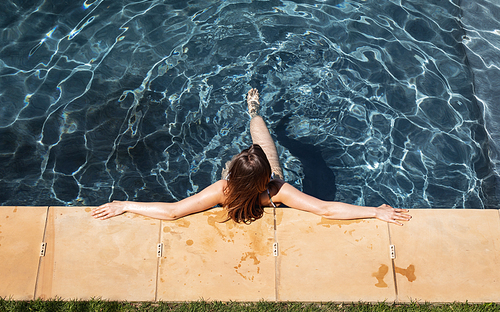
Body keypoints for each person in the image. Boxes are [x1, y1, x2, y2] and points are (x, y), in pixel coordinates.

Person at [92, 89, 411, 225]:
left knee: (258, 134)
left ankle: (253, 111)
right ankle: (255, 112)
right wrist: (374, 212)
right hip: (258, 179)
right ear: (268, 176)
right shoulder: (276, 189)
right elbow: (326, 209)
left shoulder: (223, 189)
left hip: (244, 180)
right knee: (261, 134)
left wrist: (125, 205)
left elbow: (174, 212)